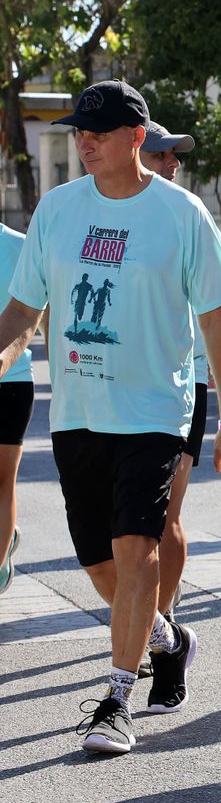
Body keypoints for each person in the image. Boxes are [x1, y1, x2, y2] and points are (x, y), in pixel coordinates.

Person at [0, 80, 221, 754]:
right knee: (97, 557)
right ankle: (167, 636)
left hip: (155, 409)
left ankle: (116, 698)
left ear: (137, 138)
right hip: (79, 412)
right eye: (80, 131)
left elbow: (215, 321)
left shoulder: (181, 213)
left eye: (100, 133)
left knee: (136, 548)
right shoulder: (57, 209)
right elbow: (25, 310)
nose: (85, 142)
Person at [136, 122, 221, 676]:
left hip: (182, 385)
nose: (173, 163)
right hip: (113, 388)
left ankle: (158, 621)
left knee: (164, 517)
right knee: (116, 530)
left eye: (175, 155)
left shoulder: (189, 213)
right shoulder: (98, 211)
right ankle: (151, 625)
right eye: (164, 153)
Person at [0, 223, 31, 596]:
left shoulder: (22, 245)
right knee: (3, 482)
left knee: (3, 480)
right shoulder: (22, 245)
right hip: (17, 375)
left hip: (12, 378)